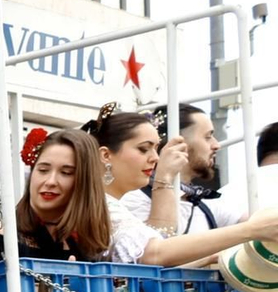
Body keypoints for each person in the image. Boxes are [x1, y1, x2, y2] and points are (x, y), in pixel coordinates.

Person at [85, 104, 278, 265]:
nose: (154, 157)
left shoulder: (205, 203)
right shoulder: (106, 203)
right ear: (105, 155)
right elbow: (155, 253)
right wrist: (251, 230)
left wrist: (207, 258)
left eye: (155, 148)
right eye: (144, 149)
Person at [0, 128, 111, 263]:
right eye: (43, 170)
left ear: (85, 182)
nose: (50, 181)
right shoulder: (3, 234)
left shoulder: (88, 241)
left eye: (66, 172)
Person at [117, 104, 241, 235]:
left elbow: (253, 224)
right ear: (177, 144)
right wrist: (165, 178)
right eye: (208, 137)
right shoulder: (132, 199)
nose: (216, 145)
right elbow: (156, 249)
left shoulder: (204, 205)